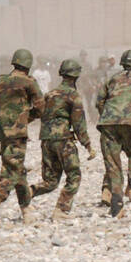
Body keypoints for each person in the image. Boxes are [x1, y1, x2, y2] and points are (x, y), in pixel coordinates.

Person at [0, 48, 45, 226]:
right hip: (18, 133)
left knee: (16, 167)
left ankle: (26, 210)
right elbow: (41, 107)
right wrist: (26, 118)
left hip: (4, 132)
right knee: (12, 169)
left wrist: (0, 114)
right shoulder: (29, 82)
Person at [31, 58, 95, 219]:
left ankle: (28, 192)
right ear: (76, 77)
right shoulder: (73, 96)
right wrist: (87, 145)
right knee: (74, 176)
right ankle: (61, 210)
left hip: (46, 140)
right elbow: (79, 124)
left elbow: (36, 113)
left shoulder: (49, 94)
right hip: (63, 140)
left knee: (50, 182)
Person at [95, 48, 131, 218]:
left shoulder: (112, 79)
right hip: (129, 124)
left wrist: (109, 115)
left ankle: (117, 205)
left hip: (107, 123)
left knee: (113, 165)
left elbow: (99, 101)